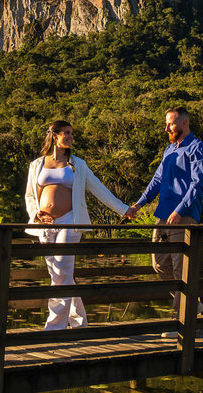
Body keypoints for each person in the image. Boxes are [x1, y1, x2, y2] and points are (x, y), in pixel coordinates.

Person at [24, 120, 131, 330]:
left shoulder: (78, 165)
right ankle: (79, 321)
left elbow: (99, 189)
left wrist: (124, 210)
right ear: (54, 135)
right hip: (45, 224)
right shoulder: (37, 165)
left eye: (72, 133)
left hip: (70, 221)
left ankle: (54, 327)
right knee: (59, 274)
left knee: (62, 269)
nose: (71, 136)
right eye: (66, 132)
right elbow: (30, 196)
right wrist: (36, 214)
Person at [124, 107, 203, 317]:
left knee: (181, 266)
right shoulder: (169, 150)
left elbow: (197, 184)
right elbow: (157, 180)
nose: (166, 128)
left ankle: (180, 319)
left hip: (184, 216)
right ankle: (191, 303)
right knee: (159, 263)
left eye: (170, 123)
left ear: (184, 123)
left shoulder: (197, 148)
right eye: (166, 124)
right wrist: (138, 205)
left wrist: (180, 210)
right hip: (163, 215)